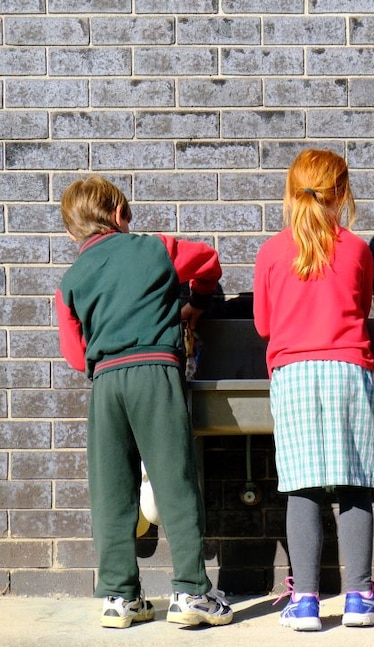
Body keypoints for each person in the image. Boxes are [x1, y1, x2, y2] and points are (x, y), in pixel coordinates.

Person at [55, 175, 233, 629]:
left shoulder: (69, 280)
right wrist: (196, 301)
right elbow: (208, 260)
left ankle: (119, 597)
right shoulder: (156, 248)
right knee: (174, 480)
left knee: (112, 490)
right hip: (156, 371)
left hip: (106, 382)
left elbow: (76, 356)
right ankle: (191, 593)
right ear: (119, 215)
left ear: (73, 231)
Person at [253, 149, 374, 631]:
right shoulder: (356, 249)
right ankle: (359, 595)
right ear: (342, 193)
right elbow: (359, 306)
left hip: (293, 375)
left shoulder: (272, 251)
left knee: (302, 486)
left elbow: (262, 324)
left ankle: (306, 601)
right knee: (354, 483)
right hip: (346, 370)